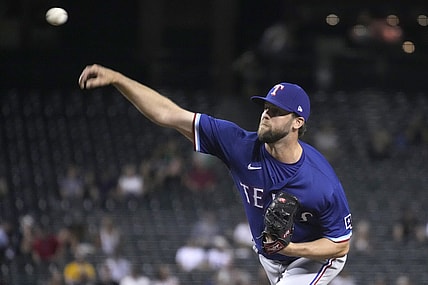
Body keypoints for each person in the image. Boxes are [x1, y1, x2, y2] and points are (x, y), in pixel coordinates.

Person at [78, 64, 353, 285]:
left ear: (298, 122)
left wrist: (291, 249)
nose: (266, 115)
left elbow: (340, 245)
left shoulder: (320, 182)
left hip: (313, 255)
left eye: (277, 111)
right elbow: (168, 114)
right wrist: (118, 79)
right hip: (271, 255)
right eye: (265, 108)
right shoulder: (239, 145)